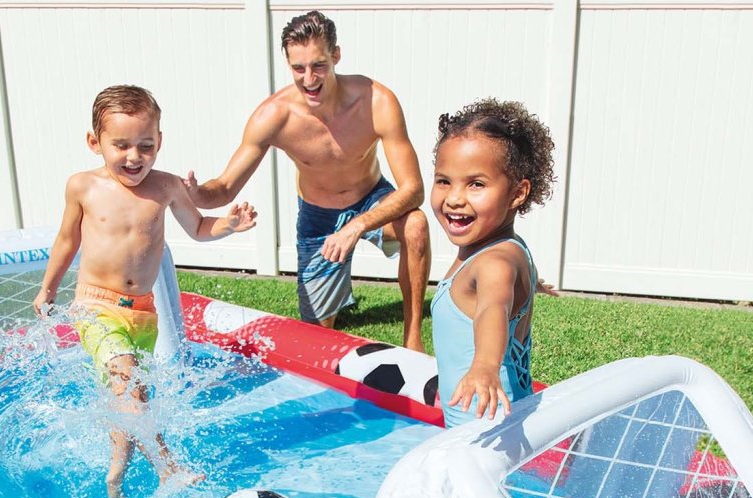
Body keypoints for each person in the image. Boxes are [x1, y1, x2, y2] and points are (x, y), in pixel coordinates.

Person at [33, 85, 257, 498]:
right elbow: (66, 240)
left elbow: (198, 228)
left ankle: (115, 477)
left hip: (143, 314)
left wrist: (228, 225)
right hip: (96, 306)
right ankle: (168, 469)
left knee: (132, 401)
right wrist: (49, 287)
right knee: (132, 396)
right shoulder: (82, 186)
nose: (134, 156)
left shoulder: (167, 187)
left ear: (160, 141)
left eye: (145, 145)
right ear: (94, 142)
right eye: (121, 145)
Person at [184, 10, 431, 352]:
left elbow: (414, 190)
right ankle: (331, 302)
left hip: (371, 198)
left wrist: (358, 225)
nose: (309, 78)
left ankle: (412, 337)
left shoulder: (376, 101)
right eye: (298, 68)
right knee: (316, 338)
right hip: (319, 217)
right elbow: (224, 188)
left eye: (319, 65)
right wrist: (197, 194)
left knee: (415, 225)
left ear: (336, 56)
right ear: (288, 64)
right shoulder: (275, 116)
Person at [429, 98, 556, 428]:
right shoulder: (503, 248)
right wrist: (533, 282)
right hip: (500, 420)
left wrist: (485, 366)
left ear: (517, 193)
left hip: (485, 429)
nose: (454, 198)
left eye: (476, 184)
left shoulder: (494, 263)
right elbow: (505, 288)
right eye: (444, 180)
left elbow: (492, 309)